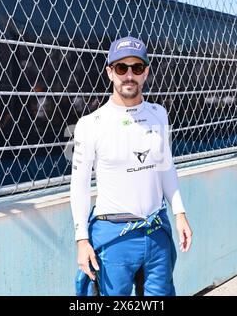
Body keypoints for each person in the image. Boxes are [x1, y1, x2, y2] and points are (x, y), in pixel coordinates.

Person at [70, 36, 192, 295]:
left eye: (137, 68)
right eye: (121, 68)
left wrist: (179, 212)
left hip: (156, 230)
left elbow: (165, 167)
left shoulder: (159, 113)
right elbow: (79, 186)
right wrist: (82, 239)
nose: (129, 75)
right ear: (109, 72)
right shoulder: (90, 124)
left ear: (146, 72)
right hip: (114, 237)